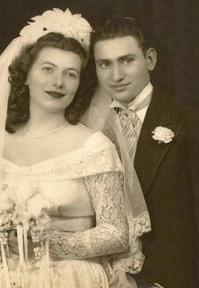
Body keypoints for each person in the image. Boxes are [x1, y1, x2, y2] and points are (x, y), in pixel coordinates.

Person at [0, 9, 151, 288]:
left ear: (79, 84)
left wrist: (46, 242)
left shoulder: (93, 147)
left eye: (70, 74)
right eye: (47, 69)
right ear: (26, 75)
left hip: (69, 276)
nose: (58, 82)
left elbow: (116, 233)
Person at [86, 16, 198, 288]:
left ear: (150, 59)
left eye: (127, 60)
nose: (116, 75)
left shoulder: (188, 123)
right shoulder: (85, 128)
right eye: (105, 64)